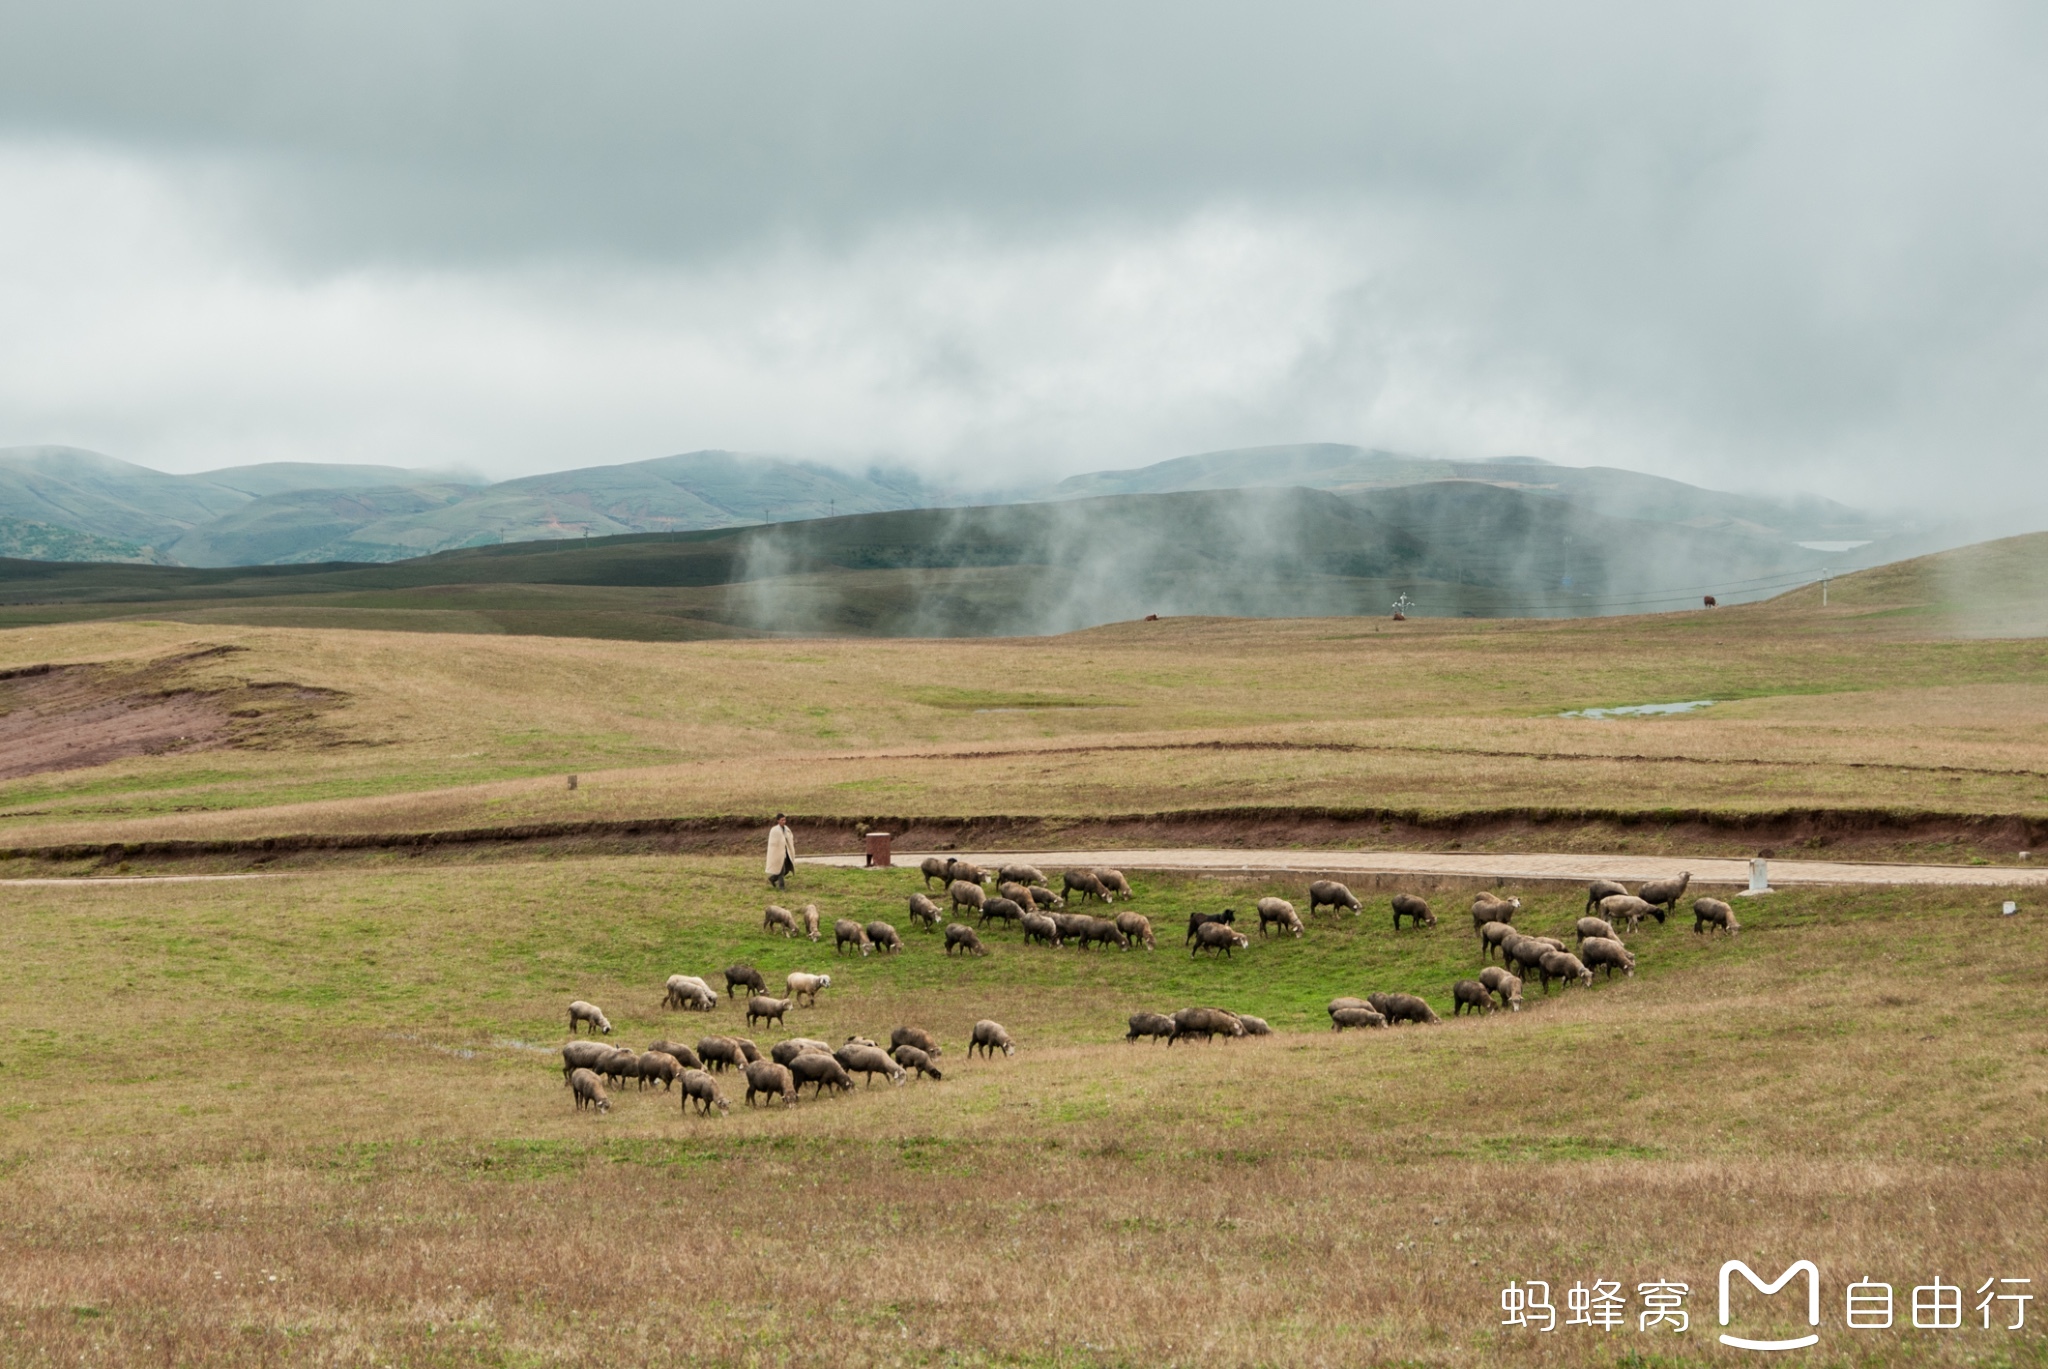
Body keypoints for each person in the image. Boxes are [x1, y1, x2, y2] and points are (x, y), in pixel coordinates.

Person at [765, 813, 796, 890]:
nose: (784, 821)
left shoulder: (786, 829)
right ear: (778, 821)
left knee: (786, 870)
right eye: (782, 820)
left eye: (785, 820)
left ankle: (772, 879)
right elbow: (773, 844)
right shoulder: (774, 831)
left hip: (785, 853)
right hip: (777, 854)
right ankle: (782, 888)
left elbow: (789, 839)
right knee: (781, 871)